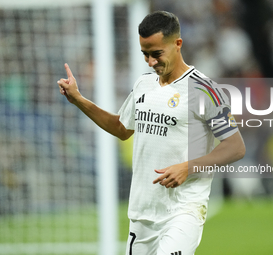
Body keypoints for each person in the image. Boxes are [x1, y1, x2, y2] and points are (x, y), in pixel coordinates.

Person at [57, 11, 245, 255]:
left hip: (183, 210)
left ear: (178, 44)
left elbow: (235, 146)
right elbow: (122, 129)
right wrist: (79, 100)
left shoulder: (205, 91)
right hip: (143, 212)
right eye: (145, 54)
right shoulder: (144, 84)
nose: (150, 62)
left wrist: (188, 167)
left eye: (157, 54)